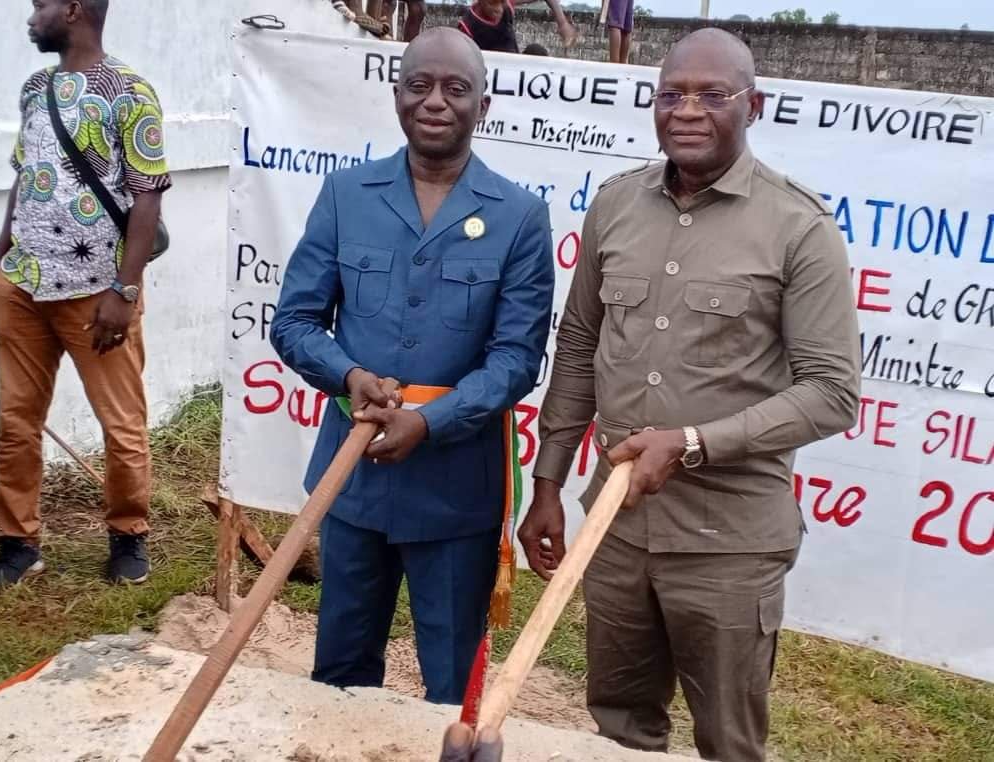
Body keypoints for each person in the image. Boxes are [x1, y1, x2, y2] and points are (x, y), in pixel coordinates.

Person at [519, 28, 860, 762]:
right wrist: (546, 482)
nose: (688, 111)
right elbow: (579, 344)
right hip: (616, 526)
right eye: (671, 94)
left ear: (755, 105)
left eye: (713, 95)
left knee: (730, 745)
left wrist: (694, 443)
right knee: (618, 726)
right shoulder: (615, 206)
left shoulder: (799, 227)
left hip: (729, 546)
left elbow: (832, 392)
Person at [270, 27, 554, 706]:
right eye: (419, 84)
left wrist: (431, 422)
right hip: (353, 476)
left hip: (456, 492)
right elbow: (295, 322)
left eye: (455, 88)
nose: (435, 101)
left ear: (482, 106)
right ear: (397, 95)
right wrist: (347, 376)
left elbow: (516, 359)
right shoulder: (347, 195)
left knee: (453, 686)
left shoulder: (520, 217)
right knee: (339, 673)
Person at [0, 0, 170, 595]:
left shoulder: (130, 90)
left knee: (122, 425)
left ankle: (128, 535)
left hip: (96, 295)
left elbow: (146, 196)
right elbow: (24, 177)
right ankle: (18, 544)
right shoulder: (35, 87)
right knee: (15, 422)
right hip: (24, 284)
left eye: (40, 6)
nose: (31, 18)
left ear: (74, 9)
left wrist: (125, 289)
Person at [458, 0, 576, 55]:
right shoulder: (467, 26)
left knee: (536, 51)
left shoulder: (507, 6)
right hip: (489, 74)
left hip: (515, 68)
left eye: (502, 2)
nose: (499, 9)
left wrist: (563, 23)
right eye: (493, 3)